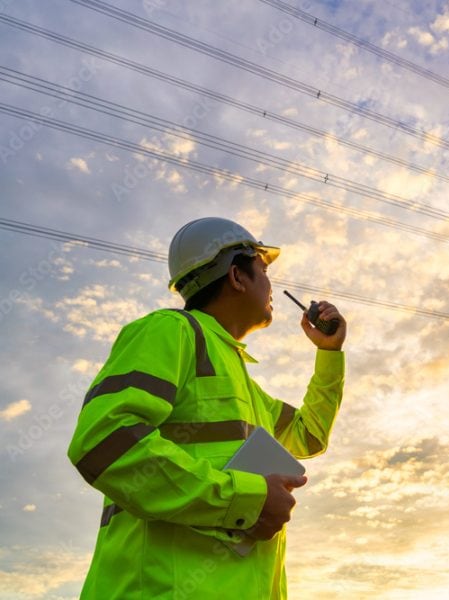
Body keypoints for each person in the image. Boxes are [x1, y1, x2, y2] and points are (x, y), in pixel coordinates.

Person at [67, 217, 346, 599]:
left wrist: (329, 355)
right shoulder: (171, 331)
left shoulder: (245, 384)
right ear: (236, 275)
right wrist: (245, 498)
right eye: (263, 270)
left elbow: (309, 435)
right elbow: (104, 441)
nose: (270, 285)